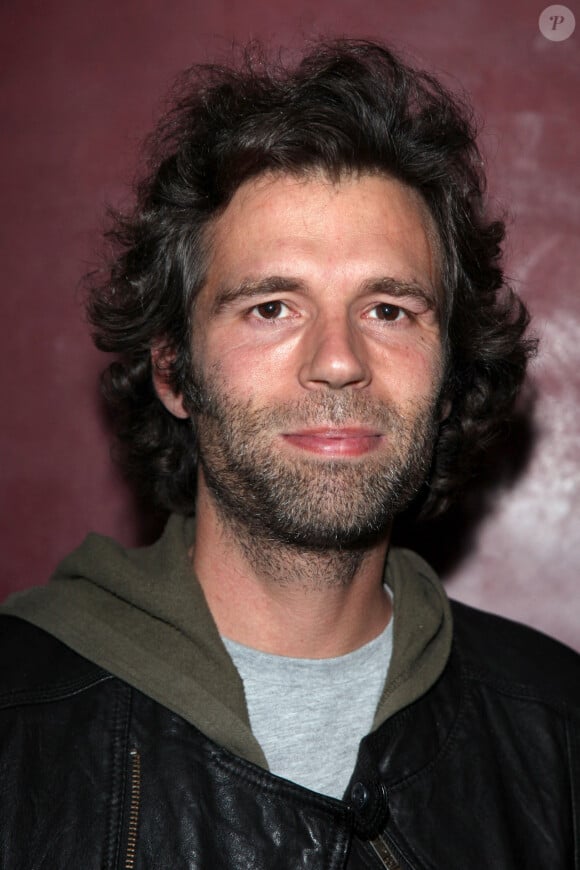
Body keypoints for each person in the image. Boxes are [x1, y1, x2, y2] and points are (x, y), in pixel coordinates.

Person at [1, 38, 578, 869]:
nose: (338, 360)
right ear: (172, 370)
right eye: (272, 307)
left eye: (388, 309)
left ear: (450, 371)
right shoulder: (18, 718)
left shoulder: (558, 731)